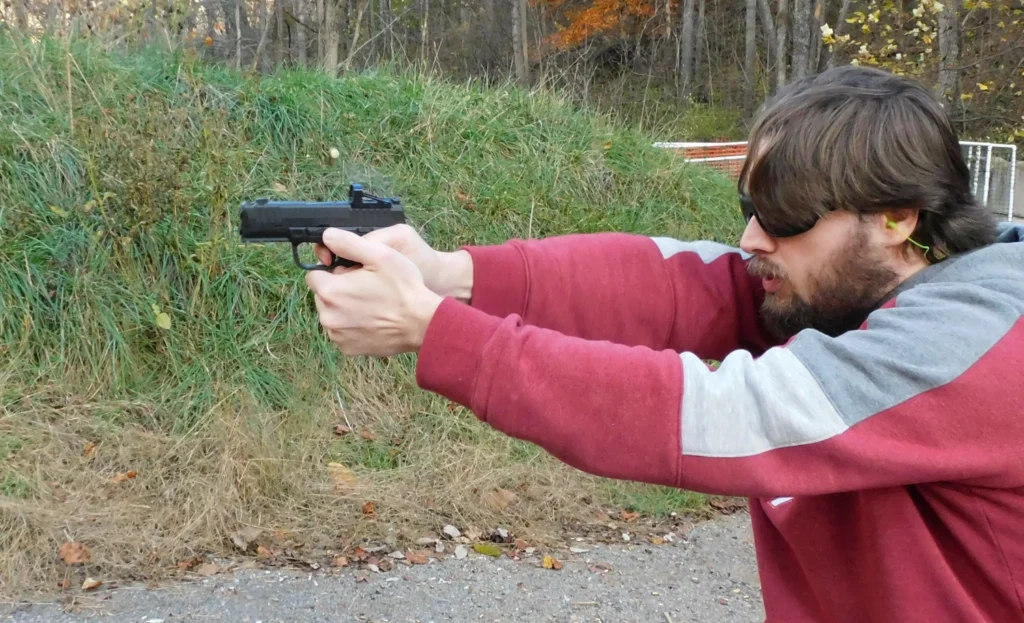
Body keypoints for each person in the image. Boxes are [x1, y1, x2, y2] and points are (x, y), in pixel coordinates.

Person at [304, 65, 1024, 622]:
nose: (752, 238)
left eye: (785, 214)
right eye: (750, 207)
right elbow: (668, 284)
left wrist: (441, 333)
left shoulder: (977, 344)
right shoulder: (851, 288)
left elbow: (723, 412)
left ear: (897, 218)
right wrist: (453, 275)